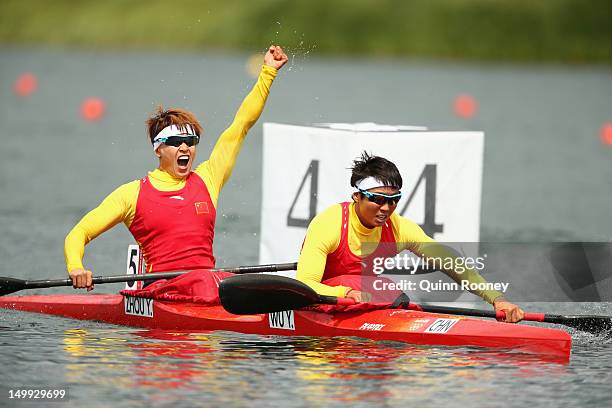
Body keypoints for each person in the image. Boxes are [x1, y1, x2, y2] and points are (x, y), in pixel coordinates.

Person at [65, 45, 288, 291]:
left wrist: (268, 73)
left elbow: (241, 125)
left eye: (191, 142)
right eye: (174, 142)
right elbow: (80, 232)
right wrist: (76, 267)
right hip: (162, 293)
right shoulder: (131, 195)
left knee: (238, 284)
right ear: (158, 149)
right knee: (208, 281)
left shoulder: (208, 177)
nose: (185, 148)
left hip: (206, 288)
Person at [296, 152, 525, 323]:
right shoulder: (329, 224)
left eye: (394, 200)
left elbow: (451, 262)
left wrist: (497, 298)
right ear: (357, 196)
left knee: (387, 289)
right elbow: (304, 285)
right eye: (377, 199)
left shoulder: (399, 229)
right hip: (320, 303)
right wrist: (344, 293)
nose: (386, 208)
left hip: (363, 302)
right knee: (375, 285)